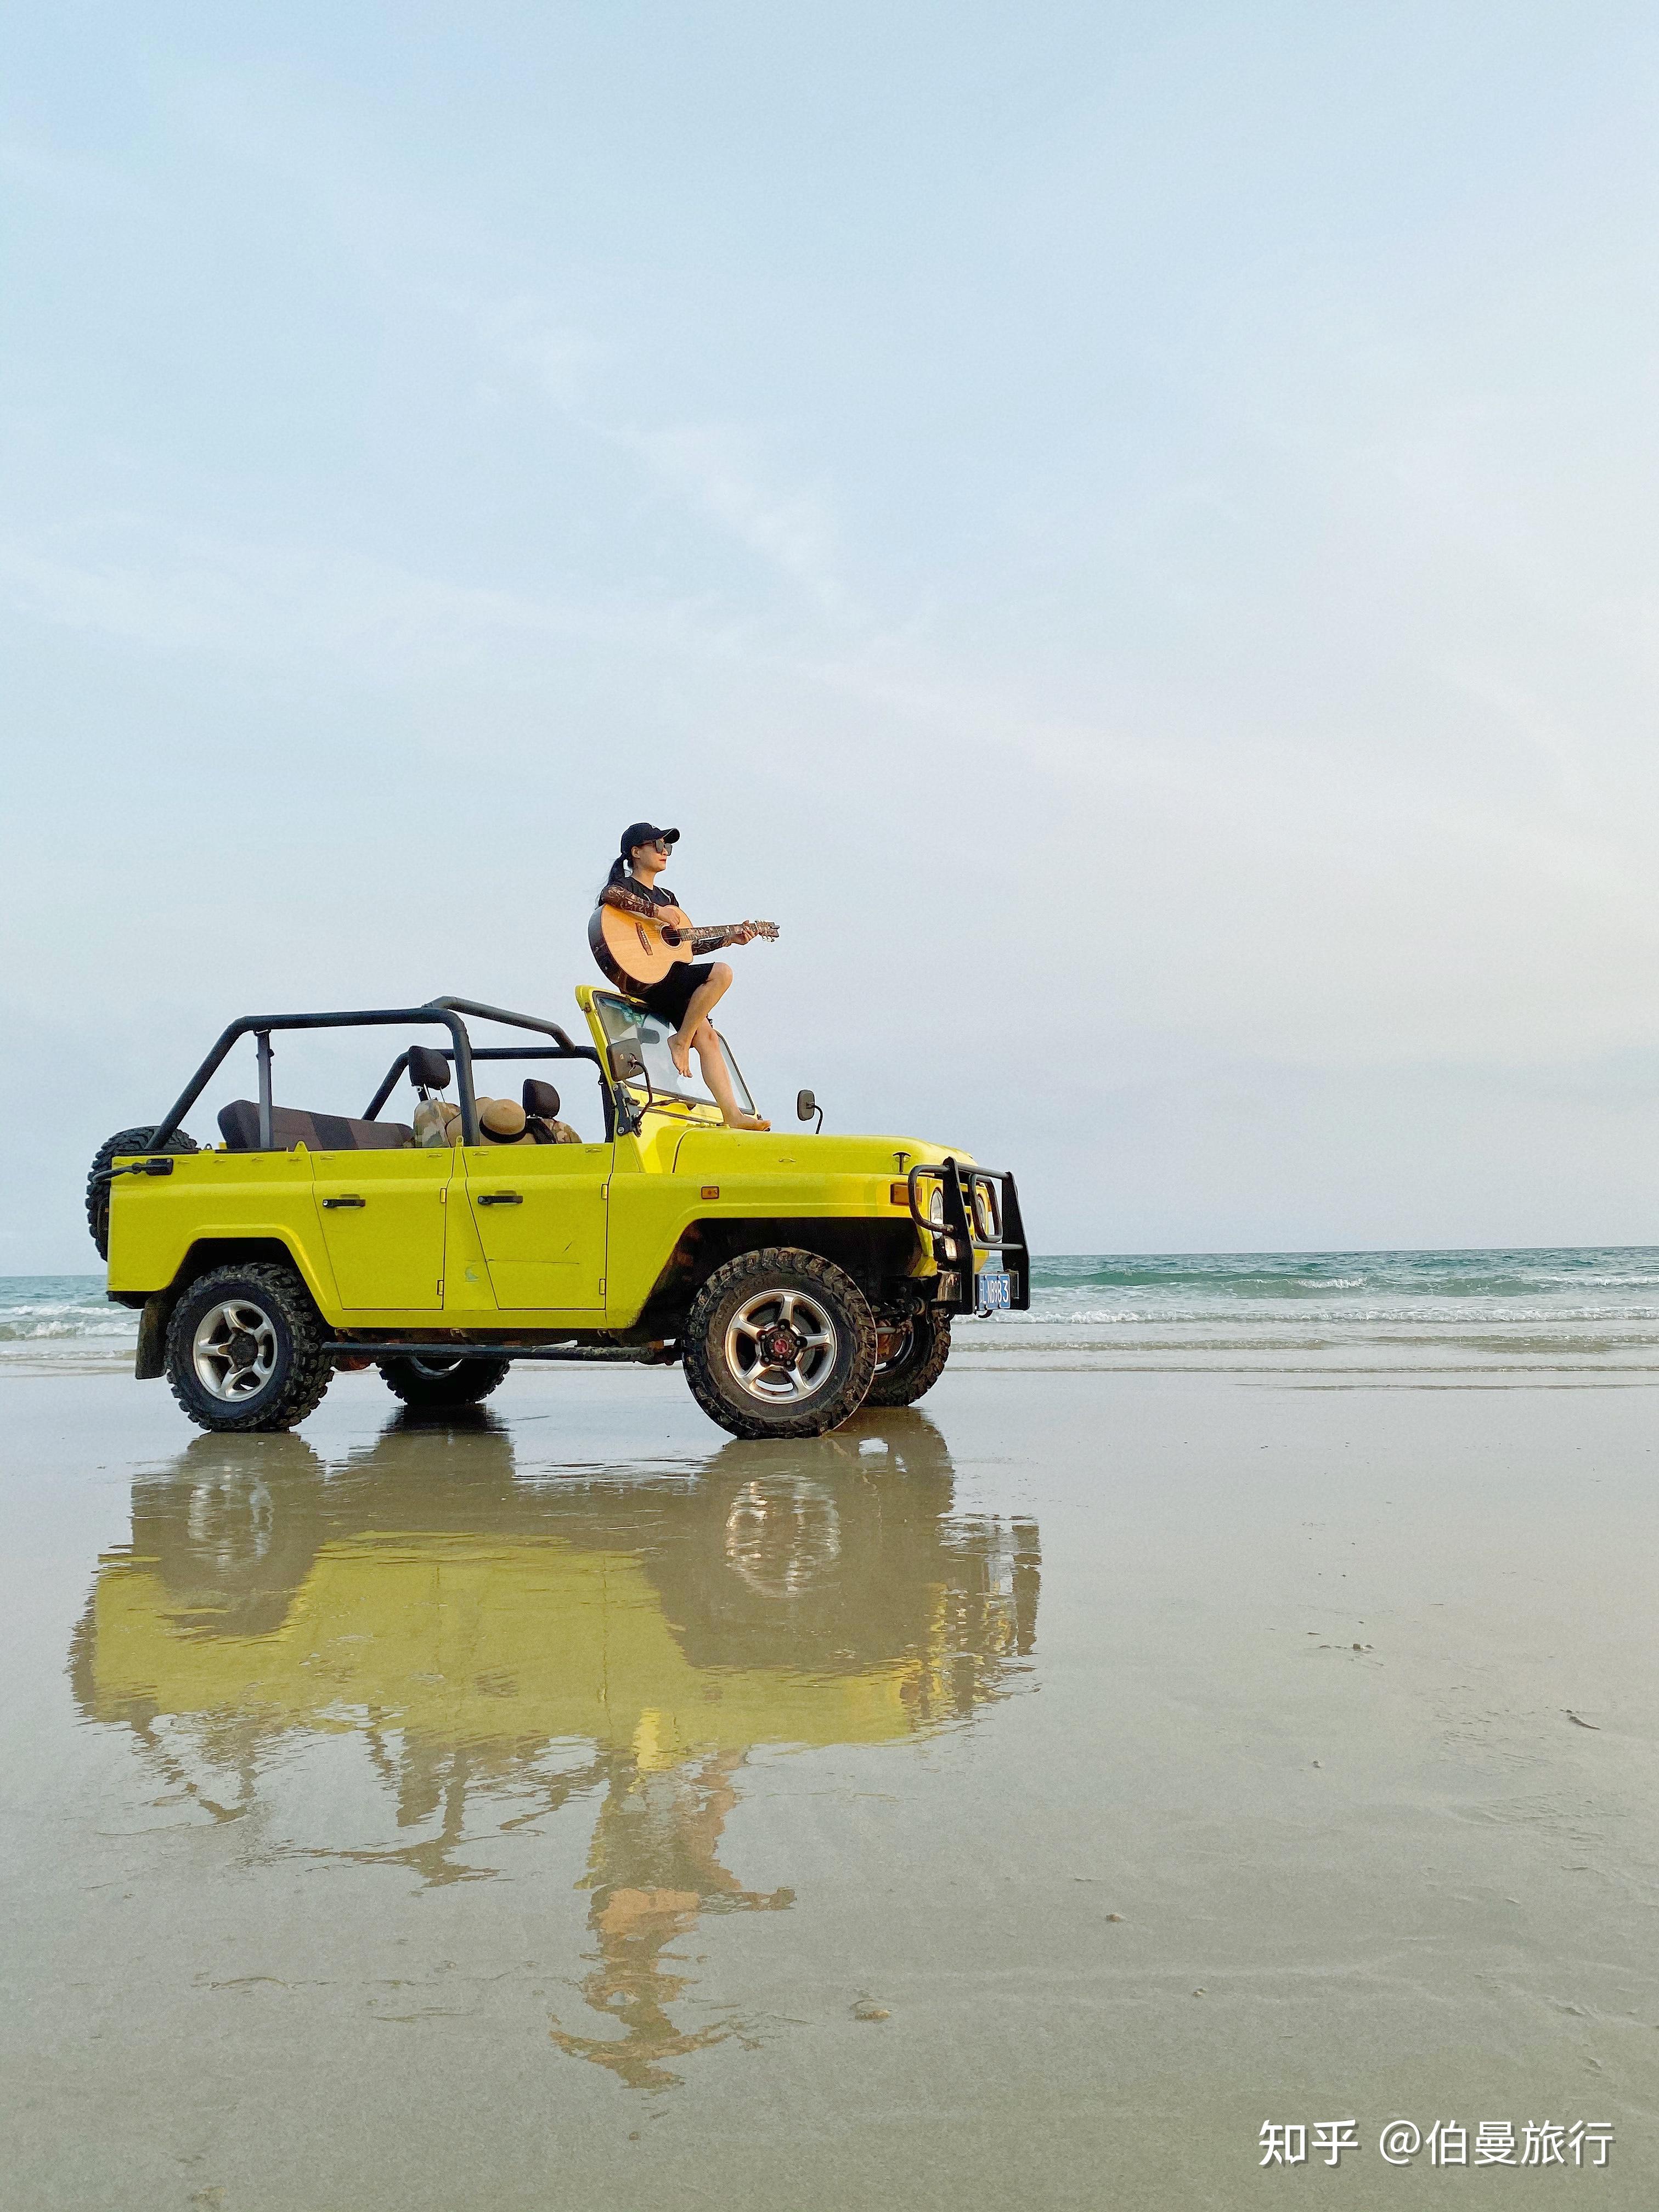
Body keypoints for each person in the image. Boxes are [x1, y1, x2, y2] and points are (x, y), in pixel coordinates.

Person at [598, 822, 771, 1131]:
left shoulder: (669, 895)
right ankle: (679, 1041)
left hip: (672, 977)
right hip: (648, 978)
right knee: (723, 973)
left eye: (668, 847)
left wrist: (731, 938)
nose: (665, 852)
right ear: (636, 852)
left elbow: (683, 947)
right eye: (657, 845)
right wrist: (654, 911)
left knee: (709, 1039)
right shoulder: (626, 887)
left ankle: (731, 1114)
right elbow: (610, 895)